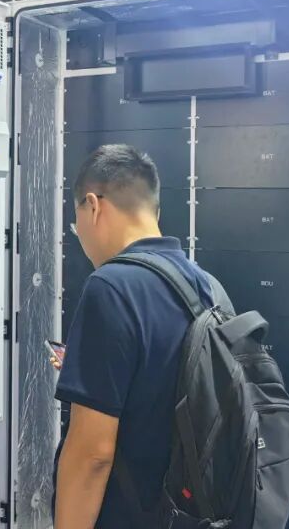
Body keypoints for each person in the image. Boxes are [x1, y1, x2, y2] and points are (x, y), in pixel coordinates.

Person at [54, 144, 219, 529]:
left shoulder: (111, 287)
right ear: (154, 211)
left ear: (92, 206)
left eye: (76, 223)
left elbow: (93, 456)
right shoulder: (202, 284)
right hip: (188, 513)